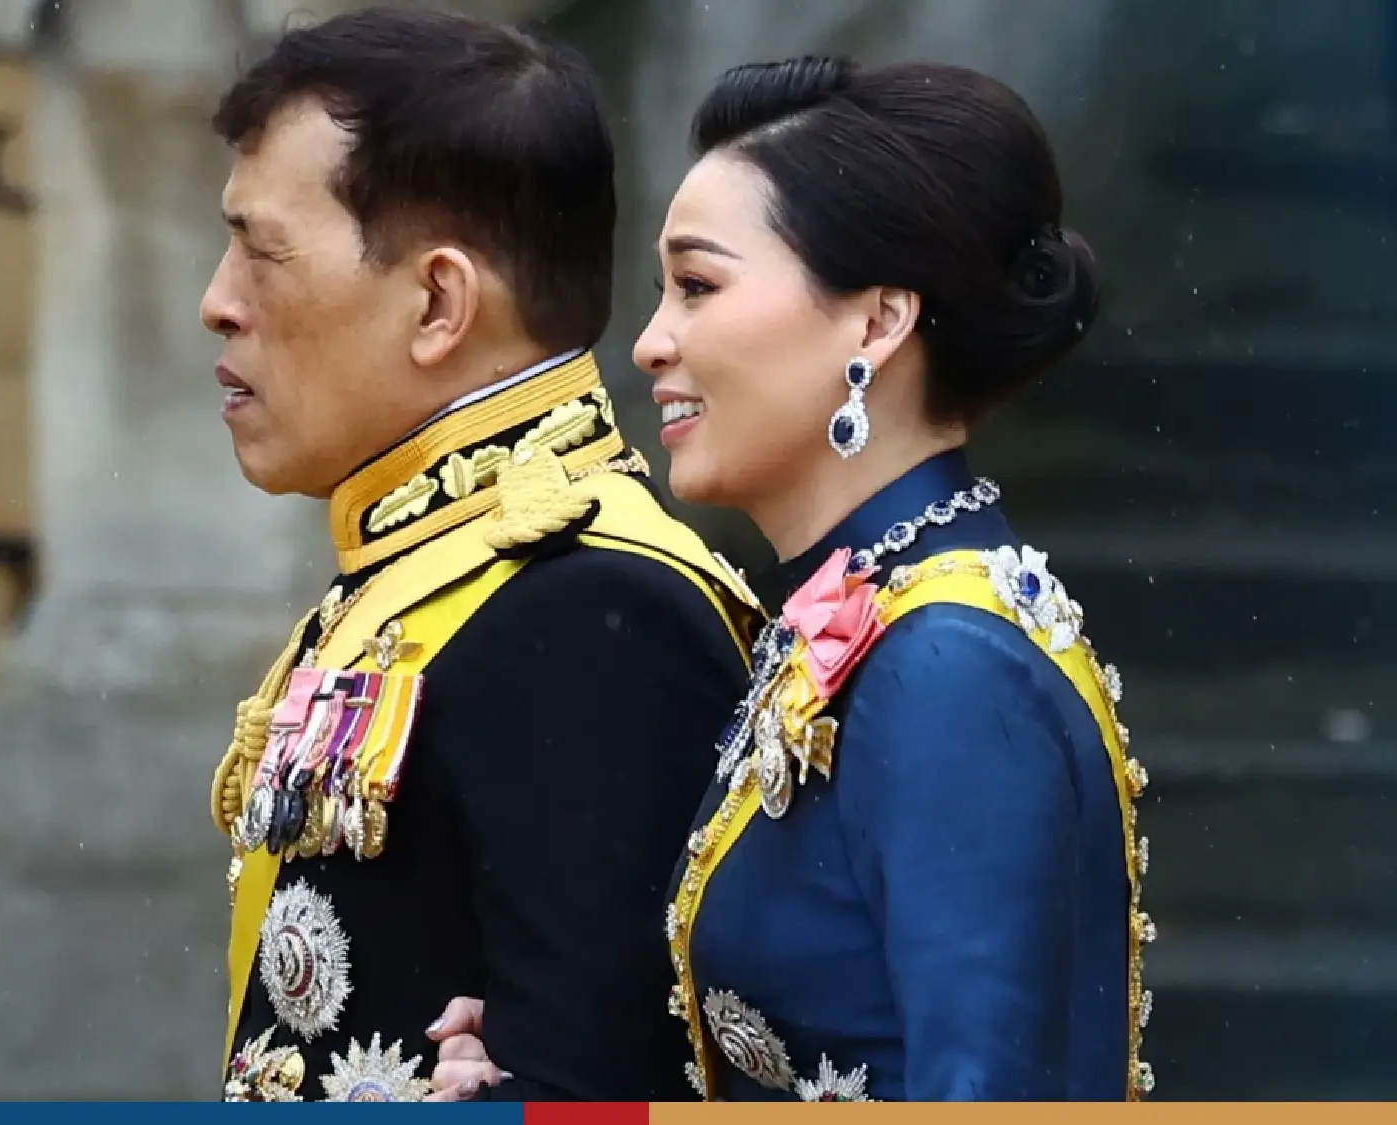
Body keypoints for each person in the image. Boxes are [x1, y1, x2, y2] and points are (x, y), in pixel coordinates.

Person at [427, 56, 1152, 1102]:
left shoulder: (945, 662)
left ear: (875, 323)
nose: (649, 344)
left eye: (696, 286)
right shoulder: (871, 624)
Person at [200, 7, 765, 1104]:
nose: (217, 304)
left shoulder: (591, 608)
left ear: (437, 302)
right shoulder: (432, 563)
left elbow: (596, 1086)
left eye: (262, 255)